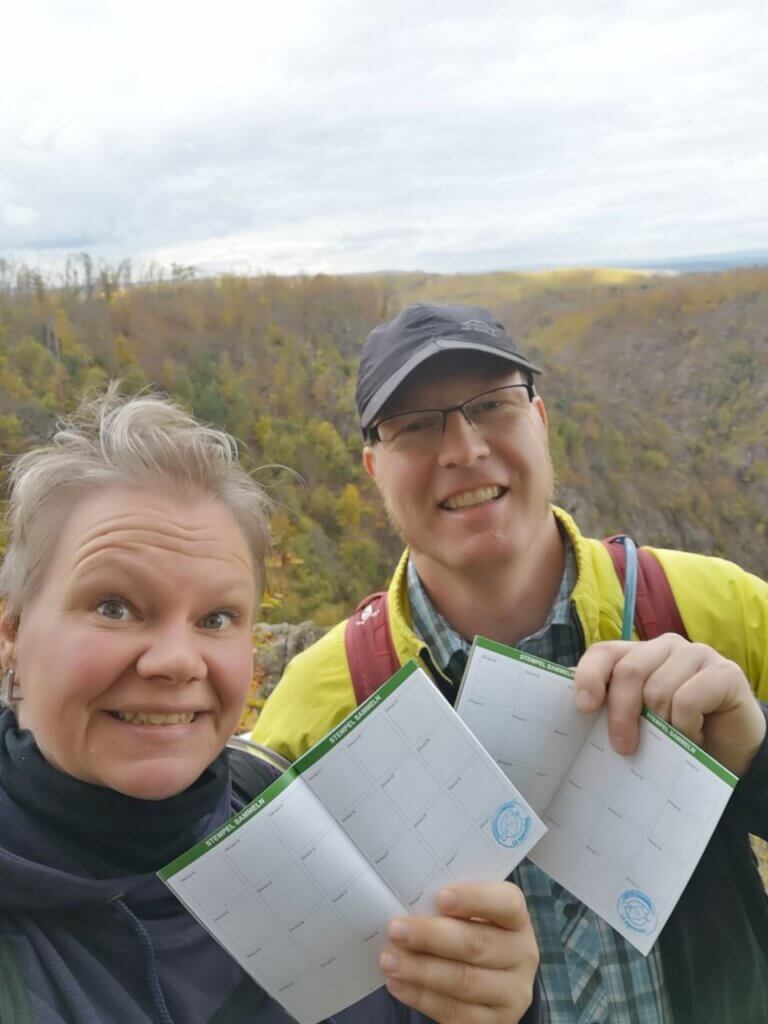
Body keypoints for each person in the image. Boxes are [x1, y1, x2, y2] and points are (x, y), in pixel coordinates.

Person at [252, 302, 768, 1023]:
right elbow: (262, 978)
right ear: (374, 468)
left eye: (492, 405)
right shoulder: (324, 704)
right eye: (417, 425)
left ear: (542, 422)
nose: (463, 448)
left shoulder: (714, 609)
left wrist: (756, 759)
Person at [0, 387, 540, 1024]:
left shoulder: (322, 834)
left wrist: (489, 1008)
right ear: (11, 634)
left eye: (217, 617)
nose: (176, 660)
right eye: (114, 607)